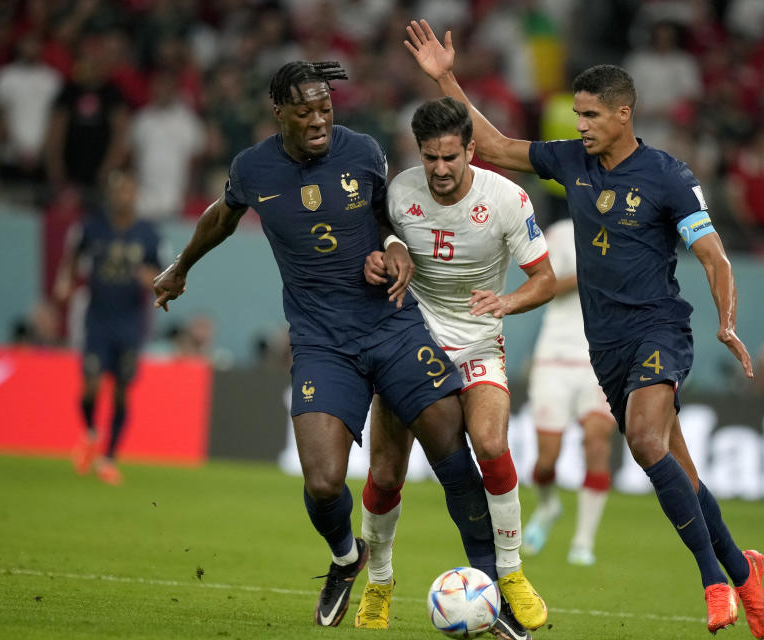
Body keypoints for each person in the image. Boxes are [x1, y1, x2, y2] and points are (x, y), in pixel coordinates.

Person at [403, 19, 764, 638]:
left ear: (623, 115)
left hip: (659, 329)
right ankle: (745, 569)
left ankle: (714, 582)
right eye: (576, 114)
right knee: (677, 467)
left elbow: (713, 255)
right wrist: (445, 77)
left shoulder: (668, 176)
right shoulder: (572, 160)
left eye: (590, 116)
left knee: (646, 441)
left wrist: (727, 324)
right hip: (606, 347)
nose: (578, 125)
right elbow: (493, 148)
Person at [151, 61, 520, 635]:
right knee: (323, 483)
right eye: (306, 111)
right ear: (281, 113)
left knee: (455, 459)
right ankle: (348, 557)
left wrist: (396, 250)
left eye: (326, 108)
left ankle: (492, 593)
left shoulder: (364, 152)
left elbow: (390, 221)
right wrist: (180, 268)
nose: (320, 119)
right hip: (322, 343)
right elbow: (222, 218)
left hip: (392, 327)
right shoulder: (253, 168)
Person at [356, 96, 554, 635]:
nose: (440, 170)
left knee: (491, 443)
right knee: (384, 473)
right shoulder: (400, 192)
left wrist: (506, 302)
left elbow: (546, 280)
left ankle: (510, 572)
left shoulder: (508, 199)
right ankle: (378, 581)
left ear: (471, 149)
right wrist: (384, 250)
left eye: (450, 157)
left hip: (479, 344)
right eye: (429, 158)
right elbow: (379, 236)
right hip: (411, 344)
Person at [54, 171, 163, 486]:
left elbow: (162, 274)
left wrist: (153, 281)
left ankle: (109, 457)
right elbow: (72, 259)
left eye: (128, 191)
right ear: (110, 195)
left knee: (121, 391)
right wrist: (65, 281)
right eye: (118, 191)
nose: (123, 197)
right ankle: (90, 432)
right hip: (97, 318)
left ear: (135, 195)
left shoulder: (148, 234)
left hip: (130, 322)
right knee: (89, 385)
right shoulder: (91, 227)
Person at [522, 218, 616, 567]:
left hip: (601, 359)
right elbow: (541, 285)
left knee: (596, 441)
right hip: (555, 357)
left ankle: (583, 541)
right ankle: (548, 507)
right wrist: (586, 275)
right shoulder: (561, 233)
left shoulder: (626, 230)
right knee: (546, 459)